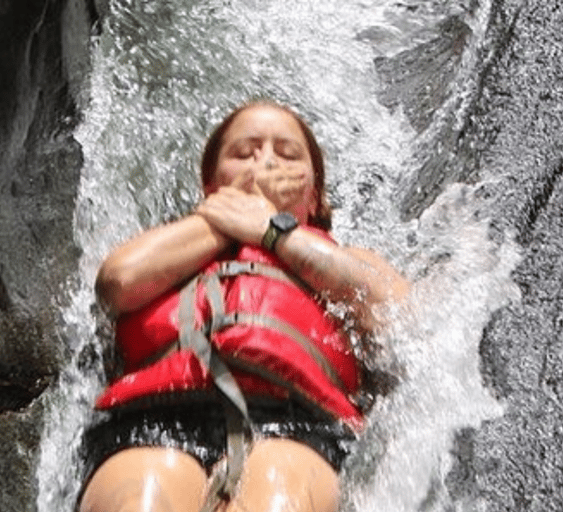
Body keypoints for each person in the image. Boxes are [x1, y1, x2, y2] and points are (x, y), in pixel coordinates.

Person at [79, 101, 409, 512]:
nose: (264, 163)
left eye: (286, 155)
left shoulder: (349, 260)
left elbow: (393, 310)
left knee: (276, 500)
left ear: (315, 196)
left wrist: (270, 229)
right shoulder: (168, 250)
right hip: (151, 419)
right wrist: (227, 217)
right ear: (210, 185)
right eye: (243, 154)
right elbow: (118, 282)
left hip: (298, 425)